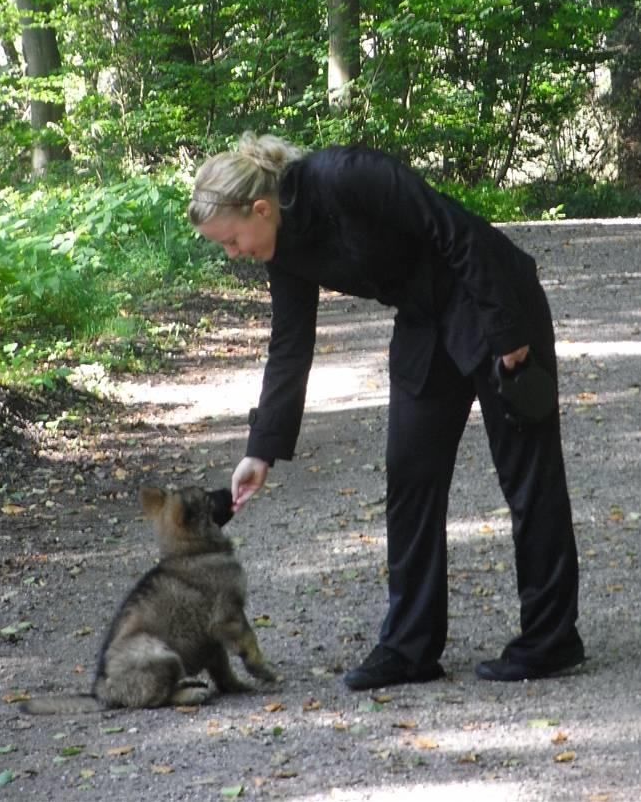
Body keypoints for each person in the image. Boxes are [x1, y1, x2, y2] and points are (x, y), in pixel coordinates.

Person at [188, 131, 585, 690]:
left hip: (489, 296)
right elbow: (290, 343)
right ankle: (410, 647)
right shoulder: (283, 247)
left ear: (259, 208)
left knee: (528, 475)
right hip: (424, 319)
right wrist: (262, 450)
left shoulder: (347, 175)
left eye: (231, 242)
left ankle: (551, 639)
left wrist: (508, 332)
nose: (235, 255)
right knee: (410, 473)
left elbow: (453, 230)